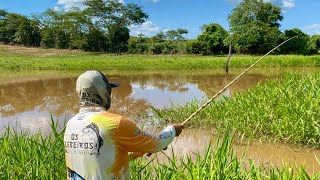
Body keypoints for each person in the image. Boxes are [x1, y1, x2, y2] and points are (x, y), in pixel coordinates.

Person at [64, 70, 184, 180]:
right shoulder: (116, 123)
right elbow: (156, 143)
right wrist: (172, 130)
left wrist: (141, 150)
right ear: (103, 92)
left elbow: (106, 155)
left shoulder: (72, 124)